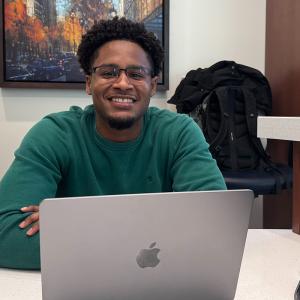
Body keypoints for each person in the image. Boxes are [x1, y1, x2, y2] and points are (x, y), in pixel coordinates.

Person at [0, 17, 226, 270]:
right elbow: (7, 236)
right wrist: (157, 231)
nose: (122, 83)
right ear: (88, 83)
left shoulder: (180, 133)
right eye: (108, 72)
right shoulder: (54, 134)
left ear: (152, 86)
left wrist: (72, 223)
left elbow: (214, 226)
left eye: (136, 74)